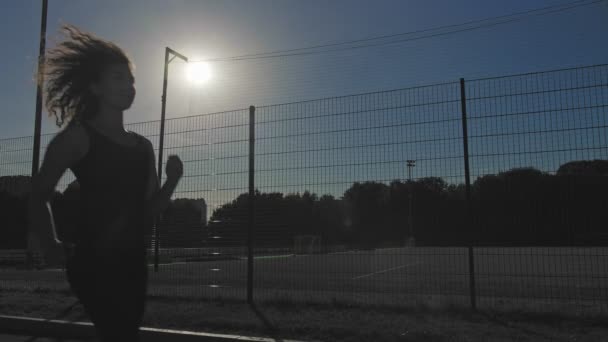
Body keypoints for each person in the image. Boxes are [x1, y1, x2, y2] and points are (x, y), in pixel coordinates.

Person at [27, 25, 183, 342]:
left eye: (131, 80)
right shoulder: (77, 138)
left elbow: (149, 212)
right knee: (119, 334)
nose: (129, 86)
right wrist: (49, 242)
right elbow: (37, 194)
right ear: (95, 87)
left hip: (132, 264)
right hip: (92, 264)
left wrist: (172, 181)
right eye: (118, 78)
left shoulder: (143, 147)